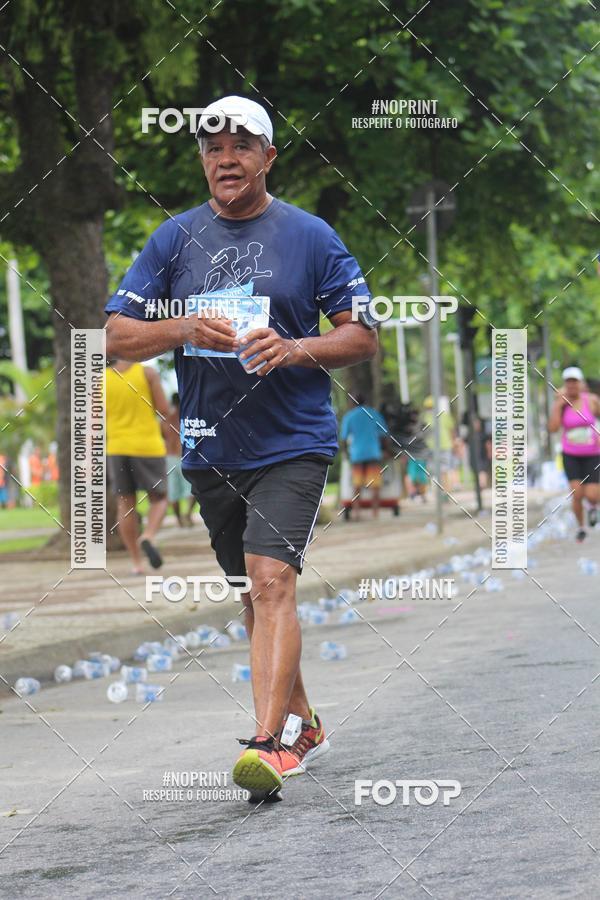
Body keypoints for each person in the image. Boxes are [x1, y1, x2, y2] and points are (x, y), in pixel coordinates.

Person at [105, 95, 378, 800]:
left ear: (268, 156)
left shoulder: (311, 236)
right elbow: (114, 336)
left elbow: (360, 335)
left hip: (293, 441)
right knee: (255, 595)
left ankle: (269, 745)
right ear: (203, 160)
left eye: (242, 146)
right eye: (214, 148)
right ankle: (304, 722)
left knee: (271, 580)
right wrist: (183, 328)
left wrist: (294, 348)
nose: (227, 159)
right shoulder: (173, 240)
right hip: (211, 449)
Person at [105, 360, 169, 572]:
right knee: (159, 498)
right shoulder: (148, 373)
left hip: (117, 447)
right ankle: (148, 535)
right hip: (147, 446)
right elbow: (164, 409)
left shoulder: (100, 380)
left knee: (125, 505)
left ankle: (136, 562)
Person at [548, 366, 600, 542]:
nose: (571, 385)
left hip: (592, 453)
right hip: (571, 454)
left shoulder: (591, 400)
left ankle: (592, 507)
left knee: (592, 494)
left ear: (580, 383)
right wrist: (558, 405)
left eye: (574, 382)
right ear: (565, 384)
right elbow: (553, 428)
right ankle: (581, 527)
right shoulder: (561, 404)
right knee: (577, 493)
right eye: (568, 382)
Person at [340, 393, 388, 519]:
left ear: (352, 402)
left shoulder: (349, 416)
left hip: (357, 454)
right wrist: (385, 450)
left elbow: (343, 438)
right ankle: (375, 512)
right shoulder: (374, 413)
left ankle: (357, 512)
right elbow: (384, 434)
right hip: (373, 452)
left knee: (357, 484)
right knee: (375, 484)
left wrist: (345, 453)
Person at [164, 393, 196, 527]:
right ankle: (187, 514)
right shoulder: (188, 416)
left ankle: (179, 520)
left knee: (173, 492)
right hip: (184, 456)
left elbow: (162, 437)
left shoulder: (166, 419)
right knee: (193, 488)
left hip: (170, 458)